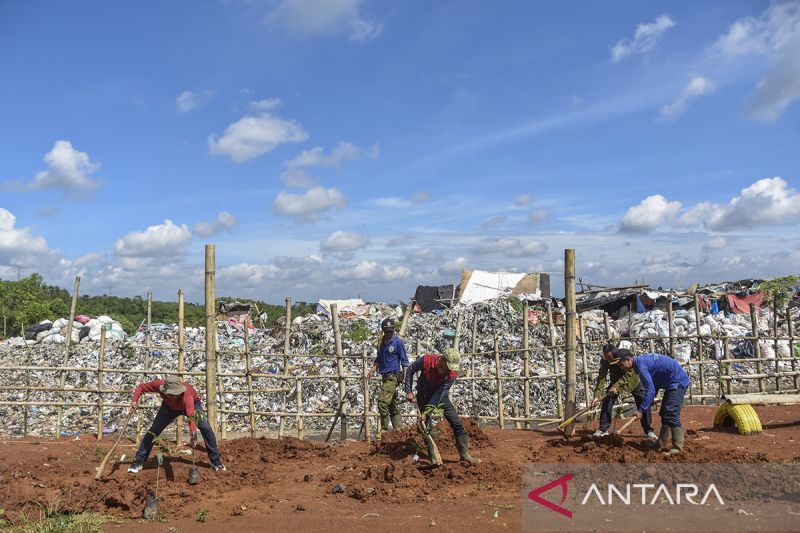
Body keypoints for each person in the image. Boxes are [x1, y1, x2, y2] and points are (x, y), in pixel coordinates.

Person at [127, 375, 225, 473]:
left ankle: (215, 460)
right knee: (153, 431)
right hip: (168, 408)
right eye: (170, 394)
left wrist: (193, 434)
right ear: (165, 390)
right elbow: (141, 387)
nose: (173, 397)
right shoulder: (159, 385)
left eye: (175, 394)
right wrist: (134, 401)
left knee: (206, 428)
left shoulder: (187, 395)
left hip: (193, 406)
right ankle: (138, 460)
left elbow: (191, 417)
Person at [404, 348, 479, 465]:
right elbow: (410, 370)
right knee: (425, 428)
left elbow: (439, 394)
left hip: (440, 396)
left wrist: (427, 412)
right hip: (423, 396)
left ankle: (465, 454)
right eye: (447, 366)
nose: (448, 370)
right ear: (442, 359)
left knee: (456, 423)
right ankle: (433, 458)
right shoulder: (427, 360)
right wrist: (408, 391)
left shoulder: (452, 374)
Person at [617, 351, 691, 454]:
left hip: (678, 382)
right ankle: (660, 444)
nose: (622, 368)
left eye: (622, 365)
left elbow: (650, 390)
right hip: (671, 383)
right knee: (665, 414)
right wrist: (648, 402)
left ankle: (677, 448)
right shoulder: (641, 363)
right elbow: (654, 384)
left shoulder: (641, 366)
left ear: (628, 360)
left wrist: (641, 409)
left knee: (671, 413)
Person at [591, 344, 656, 440]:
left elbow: (629, 374)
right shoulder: (605, 361)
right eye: (607, 358)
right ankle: (603, 429)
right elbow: (601, 378)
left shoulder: (623, 357)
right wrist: (597, 395)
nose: (609, 361)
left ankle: (649, 431)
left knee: (642, 401)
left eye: (611, 358)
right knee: (607, 401)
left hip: (633, 381)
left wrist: (616, 387)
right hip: (615, 382)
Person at [367, 317, 409, 432]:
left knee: (382, 403)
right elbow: (379, 359)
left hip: (393, 377)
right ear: (383, 331)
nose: (389, 333)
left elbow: (405, 362)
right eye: (387, 331)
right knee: (392, 404)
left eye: (391, 331)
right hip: (385, 377)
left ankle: (384, 430)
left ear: (393, 330)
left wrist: (405, 378)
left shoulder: (398, 343)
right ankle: (399, 430)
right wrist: (373, 369)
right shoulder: (381, 342)